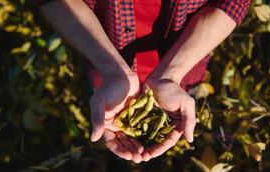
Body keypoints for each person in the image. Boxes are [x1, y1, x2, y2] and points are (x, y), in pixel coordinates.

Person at [37, 0, 251, 163]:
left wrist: (172, 75)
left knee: (181, 105)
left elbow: (232, 3)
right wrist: (112, 70)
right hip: (103, 57)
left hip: (186, 61)